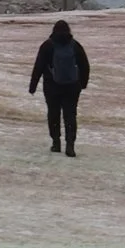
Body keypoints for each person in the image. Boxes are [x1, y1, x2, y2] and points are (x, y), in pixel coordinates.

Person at [28, 19, 90, 156]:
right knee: (70, 115)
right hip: (72, 86)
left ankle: (56, 142)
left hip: (52, 86)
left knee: (53, 114)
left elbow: (38, 67)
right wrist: (83, 83)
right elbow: (85, 65)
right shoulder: (75, 46)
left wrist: (33, 86)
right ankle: (70, 145)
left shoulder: (47, 46)